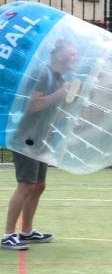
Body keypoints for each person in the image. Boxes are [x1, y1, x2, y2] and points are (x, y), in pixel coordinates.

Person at [2, 39, 77, 250]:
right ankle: (8, 235)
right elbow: (33, 105)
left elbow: (52, 107)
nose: (76, 58)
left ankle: (26, 231)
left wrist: (69, 97)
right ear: (59, 55)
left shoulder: (60, 77)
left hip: (41, 136)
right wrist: (60, 94)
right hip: (26, 137)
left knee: (39, 185)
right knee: (26, 184)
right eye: (72, 54)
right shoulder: (43, 74)